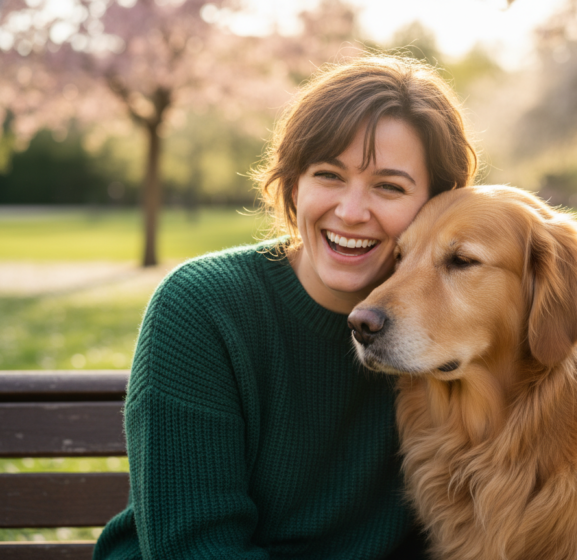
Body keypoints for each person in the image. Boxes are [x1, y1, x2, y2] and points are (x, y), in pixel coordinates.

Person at [93, 54, 477, 559]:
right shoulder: (202, 307)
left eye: (389, 186)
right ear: (294, 183)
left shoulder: (454, 335)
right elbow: (196, 549)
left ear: (438, 203)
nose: (352, 211)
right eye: (328, 175)